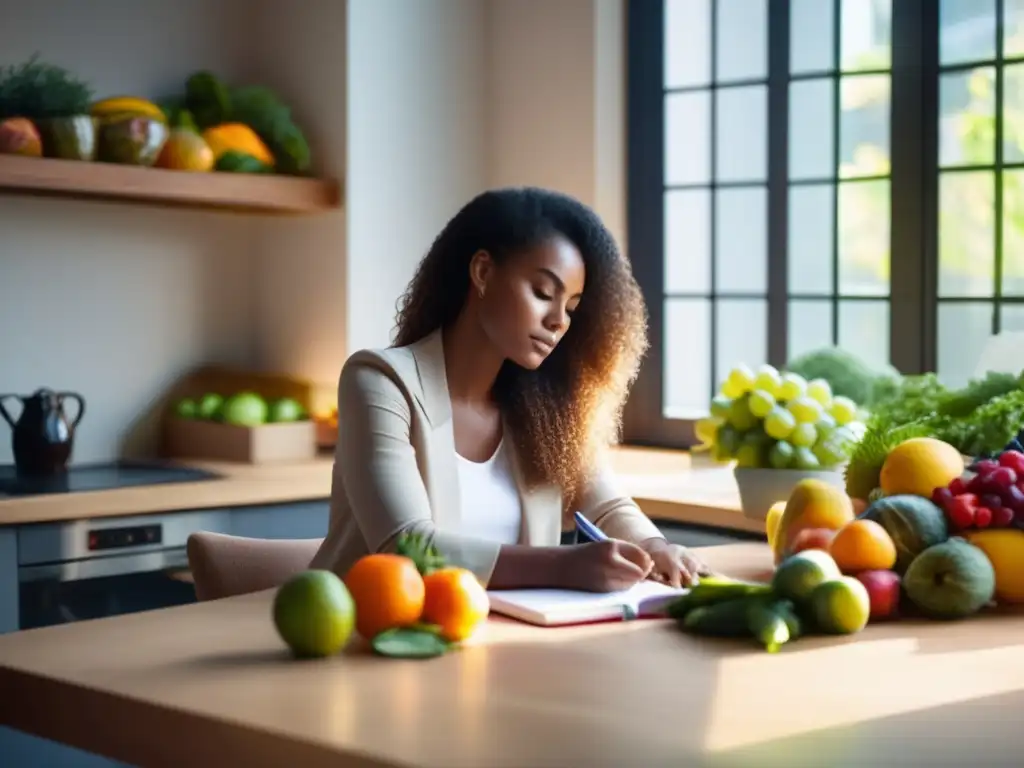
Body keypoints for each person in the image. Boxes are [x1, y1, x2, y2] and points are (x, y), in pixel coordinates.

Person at [310, 187, 710, 591]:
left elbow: (607, 505)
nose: (559, 322)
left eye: (571, 308)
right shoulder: (379, 381)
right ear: (482, 272)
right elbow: (408, 547)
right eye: (542, 293)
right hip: (373, 637)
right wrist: (563, 566)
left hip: (496, 638)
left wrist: (655, 546)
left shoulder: (543, 413)